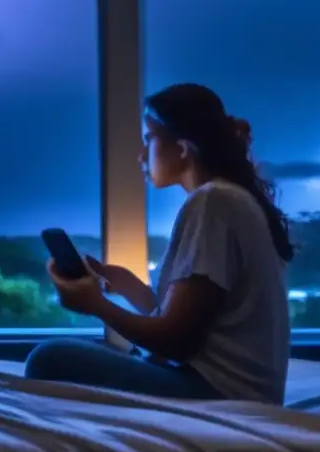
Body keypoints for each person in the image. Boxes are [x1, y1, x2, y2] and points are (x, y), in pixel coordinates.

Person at [25, 83, 293, 405]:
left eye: (149, 139)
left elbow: (176, 342)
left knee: (49, 357)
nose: (141, 154)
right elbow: (192, 323)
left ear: (181, 149)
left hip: (218, 395)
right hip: (225, 388)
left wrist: (94, 304)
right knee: (84, 351)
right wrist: (126, 286)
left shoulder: (214, 202)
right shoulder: (231, 199)